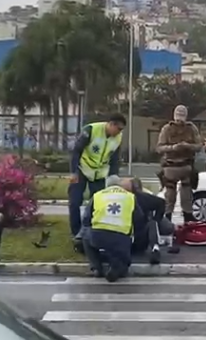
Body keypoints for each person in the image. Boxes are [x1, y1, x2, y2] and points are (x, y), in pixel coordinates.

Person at [68, 113, 126, 247]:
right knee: (74, 202)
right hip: (82, 169)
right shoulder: (91, 130)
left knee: (98, 204)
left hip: (99, 174)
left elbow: (114, 158)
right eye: (118, 129)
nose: (119, 132)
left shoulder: (117, 137)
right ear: (111, 124)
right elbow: (76, 151)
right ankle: (76, 233)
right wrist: (73, 172)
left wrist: (113, 176)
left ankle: (92, 231)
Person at [80, 177, 140, 282]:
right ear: (120, 185)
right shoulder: (130, 197)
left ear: (106, 185)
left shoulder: (98, 195)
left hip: (98, 236)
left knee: (85, 236)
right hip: (121, 238)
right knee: (122, 259)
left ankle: (96, 267)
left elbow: (86, 218)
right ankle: (116, 268)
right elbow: (139, 217)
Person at [156, 105, 203, 223]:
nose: (179, 122)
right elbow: (159, 148)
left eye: (181, 118)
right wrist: (173, 148)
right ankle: (167, 219)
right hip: (170, 166)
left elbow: (199, 146)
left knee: (186, 195)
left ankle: (187, 218)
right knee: (170, 195)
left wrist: (187, 146)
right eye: (177, 118)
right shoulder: (167, 129)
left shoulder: (191, 128)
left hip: (186, 166)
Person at [128, 177, 177, 261]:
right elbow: (161, 203)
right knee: (153, 223)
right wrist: (156, 219)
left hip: (123, 241)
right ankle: (155, 248)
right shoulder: (144, 197)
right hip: (138, 240)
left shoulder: (117, 198)